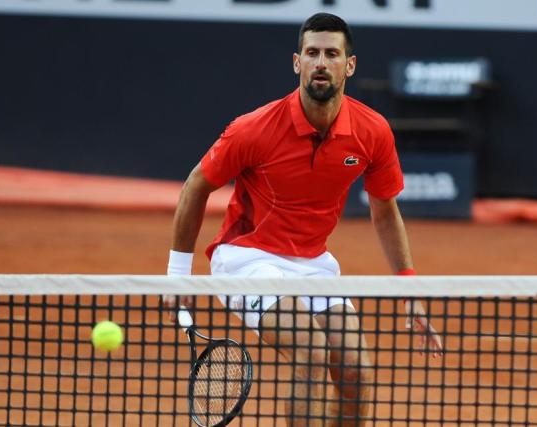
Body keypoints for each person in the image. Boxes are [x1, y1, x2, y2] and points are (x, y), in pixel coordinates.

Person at [163, 12, 443, 426]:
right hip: (247, 259)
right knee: (311, 350)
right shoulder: (254, 129)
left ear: (349, 65)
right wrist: (177, 276)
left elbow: (385, 211)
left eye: (331, 54)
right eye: (312, 53)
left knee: (356, 370)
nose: (320, 63)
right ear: (298, 62)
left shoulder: (372, 132)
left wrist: (409, 290)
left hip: (313, 265)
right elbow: (195, 186)